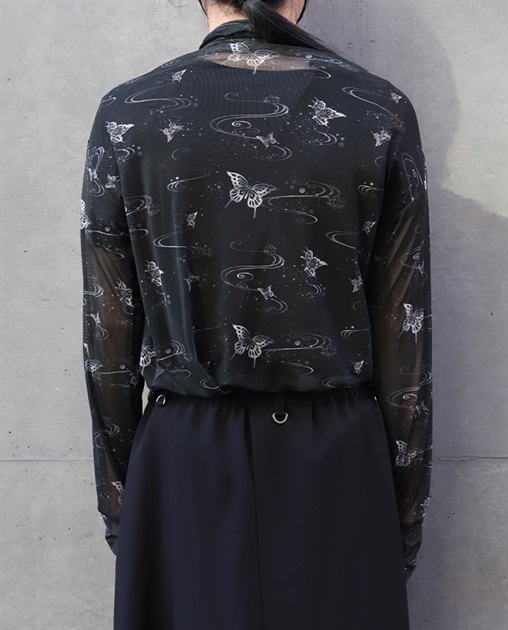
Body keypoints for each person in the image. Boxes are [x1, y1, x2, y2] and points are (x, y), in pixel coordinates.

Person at [80, 0, 432, 628]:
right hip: (339, 463)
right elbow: (404, 333)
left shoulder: (129, 113)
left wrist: (125, 504)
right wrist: (402, 514)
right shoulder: (377, 111)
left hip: (184, 460)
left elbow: (108, 331)